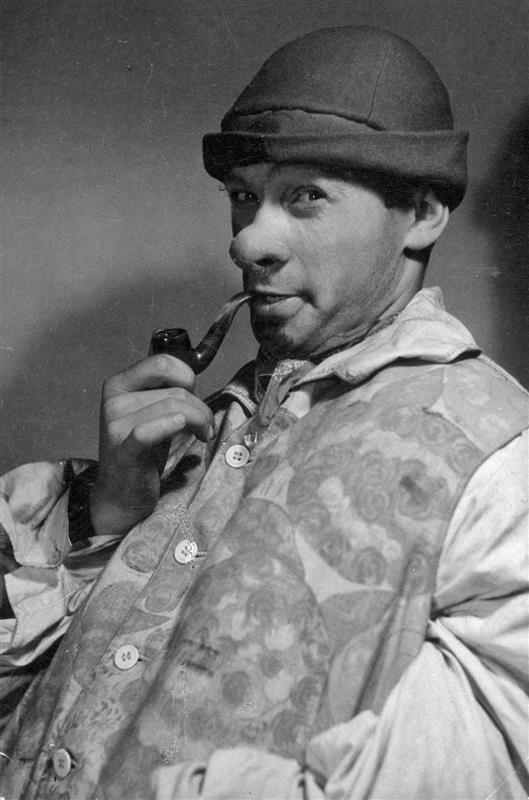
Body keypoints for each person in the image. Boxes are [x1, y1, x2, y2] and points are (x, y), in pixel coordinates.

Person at [0, 25, 527, 800]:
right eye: (243, 196)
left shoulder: (497, 458)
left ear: (420, 212)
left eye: (304, 196)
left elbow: (477, 770)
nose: (248, 241)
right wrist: (104, 512)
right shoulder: (207, 427)